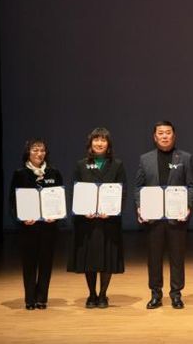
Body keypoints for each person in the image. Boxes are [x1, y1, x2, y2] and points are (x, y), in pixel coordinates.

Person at [135, 121, 193, 309]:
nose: (164, 136)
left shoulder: (185, 158)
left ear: (173, 136)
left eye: (168, 132)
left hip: (176, 218)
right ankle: (156, 294)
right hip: (153, 218)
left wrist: (187, 206)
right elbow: (138, 187)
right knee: (154, 258)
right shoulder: (145, 159)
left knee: (177, 258)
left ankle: (176, 294)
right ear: (155, 137)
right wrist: (140, 207)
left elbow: (191, 186)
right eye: (160, 133)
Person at [68, 127, 127, 309]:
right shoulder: (81, 165)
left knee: (107, 259)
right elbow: (75, 191)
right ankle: (92, 294)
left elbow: (122, 192)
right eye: (96, 140)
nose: (99, 143)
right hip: (86, 222)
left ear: (108, 144)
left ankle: (102, 295)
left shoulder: (117, 165)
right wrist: (82, 210)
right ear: (90, 143)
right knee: (90, 259)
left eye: (103, 140)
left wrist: (112, 210)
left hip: (109, 221)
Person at [9, 138, 64, 310]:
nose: (39, 154)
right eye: (35, 150)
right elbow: (13, 201)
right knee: (29, 263)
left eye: (42, 150)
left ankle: (42, 298)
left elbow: (60, 198)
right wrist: (21, 218)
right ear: (28, 153)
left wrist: (56, 216)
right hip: (28, 227)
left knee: (46, 263)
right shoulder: (20, 174)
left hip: (48, 227)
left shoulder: (54, 173)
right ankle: (29, 299)